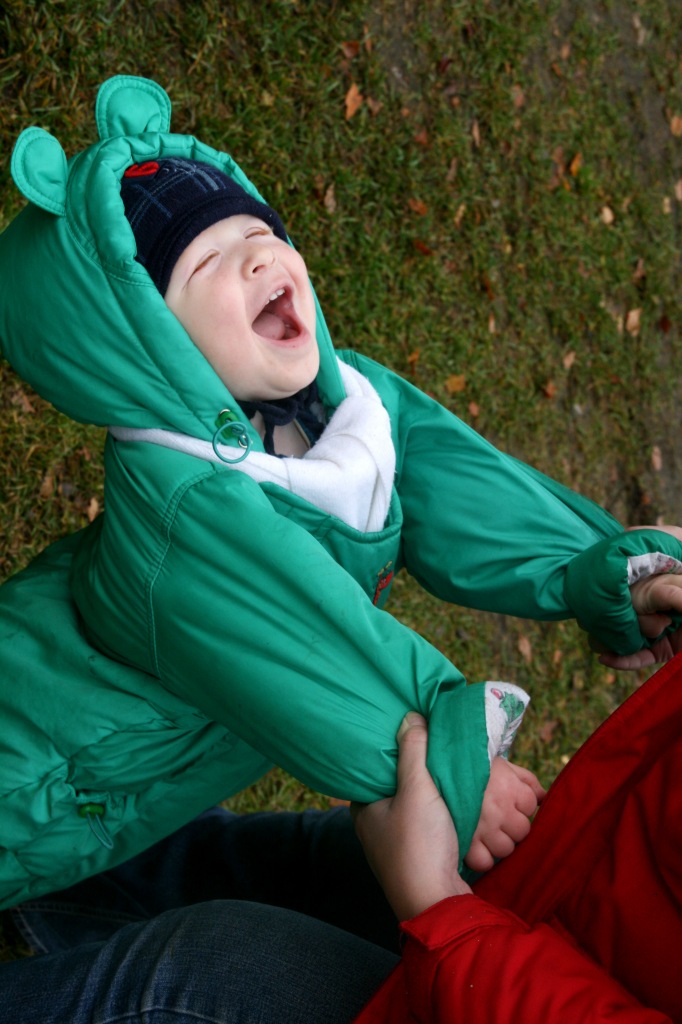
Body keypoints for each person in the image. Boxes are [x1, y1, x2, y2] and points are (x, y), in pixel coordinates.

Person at [2, 73, 682, 1021]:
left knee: (110, 850)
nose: (256, 256)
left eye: (258, 233)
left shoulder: (339, 409)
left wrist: (598, 568)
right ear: (145, 350)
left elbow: (449, 482)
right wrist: (449, 761)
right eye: (208, 266)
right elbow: (318, 651)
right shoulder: (185, 510)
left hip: (134, 773)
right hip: (39, 767)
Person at [352, 697, 682, 1022]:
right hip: (522, 889)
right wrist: (469, 773)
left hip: (470, 974)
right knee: (328, 853)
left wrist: (435, 899)